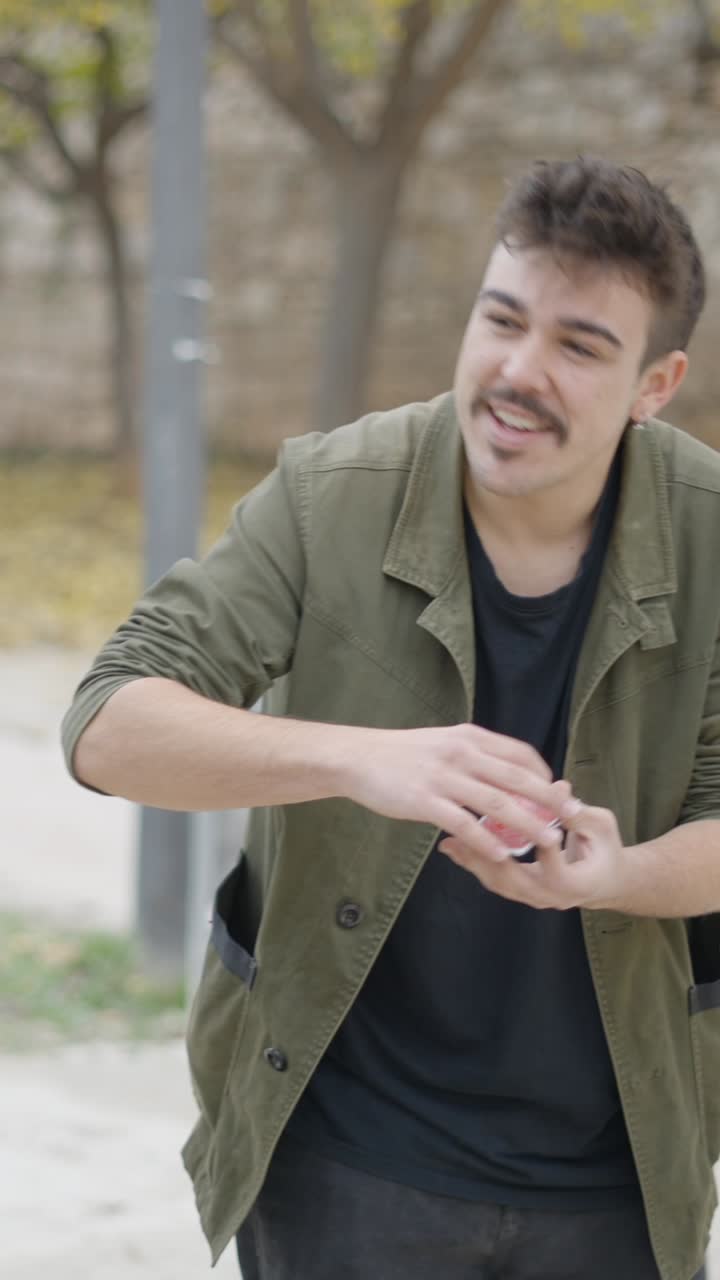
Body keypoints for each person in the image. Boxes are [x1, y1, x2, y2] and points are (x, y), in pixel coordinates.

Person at [61, 156, 720, 1280]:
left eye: (579, 344)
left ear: (656, 384)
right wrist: (362, 759)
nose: (519, 371)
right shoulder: (330, 492)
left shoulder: (709, 536)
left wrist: (619, 875)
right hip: (343, 1161)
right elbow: (107, 722)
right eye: (501, 319)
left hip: (614, 1175)